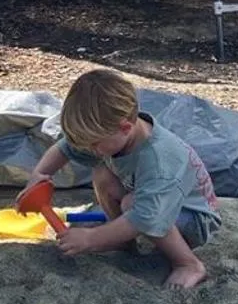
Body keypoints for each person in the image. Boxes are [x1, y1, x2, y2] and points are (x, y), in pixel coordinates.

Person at [23, 68, 220, 290]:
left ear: (125, 128)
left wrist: (91, 238)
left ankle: (187, 263)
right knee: (102, 173)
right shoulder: (112, 133)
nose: (89, 149)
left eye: (94, 143)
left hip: (194, 219)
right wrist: (39, 175)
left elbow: (145, 217)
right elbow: (64, 148)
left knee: (132, 205)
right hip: (152, 202)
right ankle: (122, 240)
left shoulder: (159, 159)